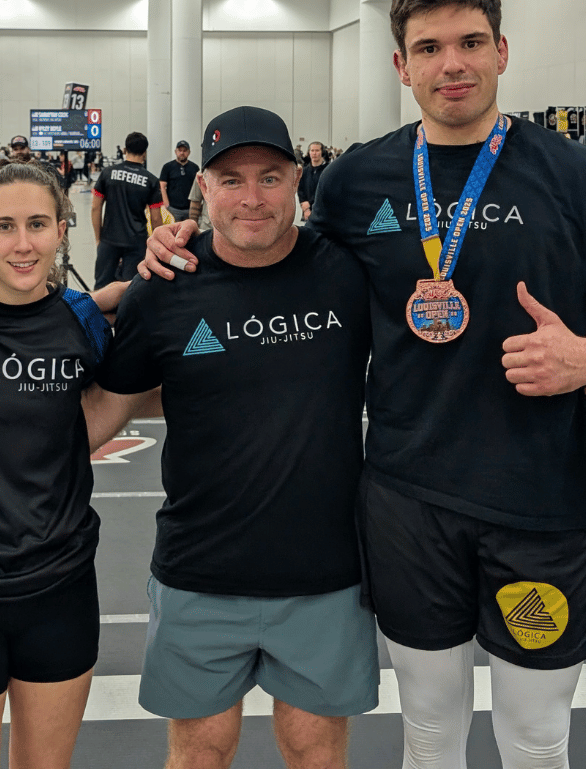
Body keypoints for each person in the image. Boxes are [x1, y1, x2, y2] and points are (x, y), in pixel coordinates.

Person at [144, 0, 586, 769]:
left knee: (534, 736)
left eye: (470, 42)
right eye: (429, 46)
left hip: (540, 504)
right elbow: (268, 256)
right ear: (400, 65)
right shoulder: (353, 180)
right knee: (428, 728)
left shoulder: (583, 179)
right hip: (406, 502)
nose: (452, 63)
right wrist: (177, 244)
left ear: (502, 51)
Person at [102, 107, 378, 769]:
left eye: (270, 178)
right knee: (200, 752)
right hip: (201, 569)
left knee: (316, 753)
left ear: (296, 185)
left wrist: (584, 368)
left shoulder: (348, 273)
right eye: (230, 180)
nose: (251, 198)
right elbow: (103, 412)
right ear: (202, 188)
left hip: (325, 573)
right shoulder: (164, 288)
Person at [0, 159, 145, 769]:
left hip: (59, 590)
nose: (22, 243)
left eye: (38, 223)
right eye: (3, 226)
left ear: (64, 229)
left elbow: (113, 398)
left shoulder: (81, 318)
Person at [92, 131, 163, 288]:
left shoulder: (107, 173)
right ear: (144, 152)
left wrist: (99, 238)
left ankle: (99, 313)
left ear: (125, 150)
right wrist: (158, 245)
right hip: (136, 241)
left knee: (101, 287)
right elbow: (156, 218)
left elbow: (95, 207)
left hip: (109, 239)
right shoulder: (151, 180)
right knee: (131, 287)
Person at [158, 140, 198, 222]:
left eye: (184, 151)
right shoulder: (168, 167)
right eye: (180, 150)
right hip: (173, 208)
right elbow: (162, 186)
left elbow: (198, 187)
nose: (182, 153)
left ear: (189, 152)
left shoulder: (194, 168)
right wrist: (166, 204)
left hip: (189, 209)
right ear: (176, 152)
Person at [298, 141, 330, 221]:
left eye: (317, 150)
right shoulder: (304, 171)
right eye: (312, 150)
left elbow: (324, 190)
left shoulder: (328, 170)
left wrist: (309, 204)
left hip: (322, 211)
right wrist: (304, 205)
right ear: (309, 152)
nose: (314, 153)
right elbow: (300, 189)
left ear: (322, 152)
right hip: (307, 212)